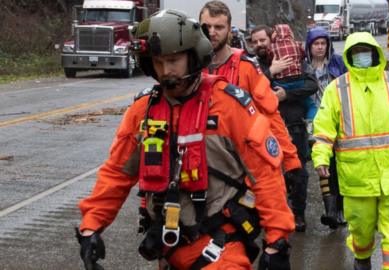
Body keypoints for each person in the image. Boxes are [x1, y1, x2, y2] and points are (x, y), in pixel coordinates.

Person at [75, 9, 294, 270]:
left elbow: (266, 174)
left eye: (174, 60)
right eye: (158, 62)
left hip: (221, 248)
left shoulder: (228, 105)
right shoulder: (143, 111)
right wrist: (91, 227)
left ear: (193, 57)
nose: (166, 71)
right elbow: (117, 174)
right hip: (167, 249)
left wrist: (277, 239)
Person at [311, 32, 389, 270]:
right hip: (357, 178)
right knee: (361, 229)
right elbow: (323, 128)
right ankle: (362, 259)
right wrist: (321, 157)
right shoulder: (337, 89)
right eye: (357, 51)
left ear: (375, 52)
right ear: (350, 55)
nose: (363, 55)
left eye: (366, 50)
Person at [199, 1, 307, 231]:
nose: (212, 32)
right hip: (198, 163)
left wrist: (290, 160)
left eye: (219, 27)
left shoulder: (246, 68)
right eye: (206, 26)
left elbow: (270, 114)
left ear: (229, 30)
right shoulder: (190, 66)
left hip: (238, 166)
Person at [251, 24, 319, 232]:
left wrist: (286, 95)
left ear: (272, 39)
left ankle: (298, 214)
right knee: (267, 174)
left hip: (294, 126)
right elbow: (247, 90)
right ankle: (272, 216)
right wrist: (271, 72)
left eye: (262, 40)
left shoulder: (294, 59)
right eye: (254, 42)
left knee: (297, 173)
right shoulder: (252, 66)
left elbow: (311, 85)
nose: (259, 45)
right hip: (264, 129)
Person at [303, 26, 347, 229]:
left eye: (323, 43)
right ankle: (330, 210)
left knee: (341, 165)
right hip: (314, 120)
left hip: (338, 118)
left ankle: (340, 209)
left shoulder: (337, 62)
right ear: (309, 46)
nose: (320, 48)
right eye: (316, 44)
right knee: (323, 163)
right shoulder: (304, 67)